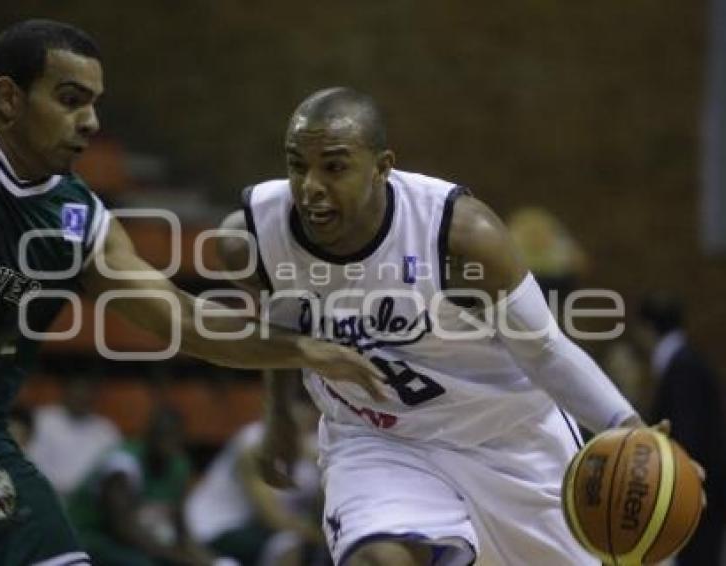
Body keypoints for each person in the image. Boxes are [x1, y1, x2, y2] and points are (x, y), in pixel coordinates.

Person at [0, 22, 384, 565]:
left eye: (94, 104)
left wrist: (303, 348)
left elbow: (186, 322)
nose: (90, 121)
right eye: (71, 100)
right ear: (8, 98)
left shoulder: (82, 225)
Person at [216, 87, 676, 565]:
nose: (310, 185)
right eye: (297, 165)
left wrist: (630, 428)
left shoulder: (459, 237)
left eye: (333, 167)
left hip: (506, 439)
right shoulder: (252, 238)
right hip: (379, 442)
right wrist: (279, 415)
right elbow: (284, 319)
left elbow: (544, 350)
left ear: (382, 167)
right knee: (376, 559)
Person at [185, 376, 327, 566]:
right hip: (220, 526)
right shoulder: (253, 443)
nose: (306, 412)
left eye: (311, 406)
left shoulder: (317, 446)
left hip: (265, 528)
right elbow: (270, 516)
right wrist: (319, 537)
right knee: (289, 545)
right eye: (299, 404)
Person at [635, 293, 725, 566]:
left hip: (701, 488)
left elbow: (688, 436)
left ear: (647, 329)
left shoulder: (681, 366)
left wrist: (674, 488)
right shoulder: (686, 360)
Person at [68, 408, 213, 566]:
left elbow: (180, 526)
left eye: (174, 435)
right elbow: (123, 529)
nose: (167, 441)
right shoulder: (122, 464)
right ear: (149, 435)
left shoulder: (179, 467)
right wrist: (176, 557)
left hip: (134, 541)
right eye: (162, 434)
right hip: (90, 537)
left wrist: (206, 559)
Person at [28, 375, 121, 496]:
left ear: (94, 397)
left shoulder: (106, 430)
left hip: (88, 503)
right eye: (77, 393)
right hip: (45, 495)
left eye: (86, 393)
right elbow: (30, 462)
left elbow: (113, 471)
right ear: (66, 392)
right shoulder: (43, 420)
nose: (81, 398)